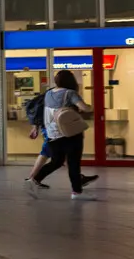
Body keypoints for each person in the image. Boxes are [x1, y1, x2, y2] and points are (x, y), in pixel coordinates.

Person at [30, 68, 98, 197]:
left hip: (53, 133)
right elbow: (85, 108)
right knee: (73, 163)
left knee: (56, 161)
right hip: (70, 133)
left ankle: (34, 180)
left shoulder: (49, 93)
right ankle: (76, 192)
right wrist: (91, 106)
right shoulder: (70, 93)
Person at [23, 87, 52, 188]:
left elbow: (38, 113)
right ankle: (32, 178)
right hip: (51, 130)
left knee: (47, 153)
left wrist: (35, 127)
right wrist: (35, 128)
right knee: (47, 153)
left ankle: (32, 178)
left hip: (47, 129)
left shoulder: (44, 97)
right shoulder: (52, 97)